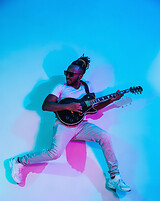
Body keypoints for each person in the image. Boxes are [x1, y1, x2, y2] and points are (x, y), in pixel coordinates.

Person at [9, 55, 131, 192]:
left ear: (80, 76)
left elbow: (92, 108)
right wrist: (68, 107)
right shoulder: (60, 87)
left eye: (71, 74)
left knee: (105, 136)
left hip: (81, 125)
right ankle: (19, 161)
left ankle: (114, 178)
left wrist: (111, 100)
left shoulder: (87, 87)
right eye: (66, 73)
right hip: (63, 125)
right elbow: (46, 105)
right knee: (54, 154)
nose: (67, 76)